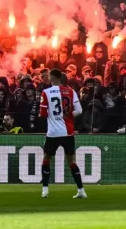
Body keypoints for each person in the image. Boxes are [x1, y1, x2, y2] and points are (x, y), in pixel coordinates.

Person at [39, 69, 85, 199]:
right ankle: (81, 190)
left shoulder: (46, 92)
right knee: (71, 161)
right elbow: (79, 110)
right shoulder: (71, 92)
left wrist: (50, 114)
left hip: (53, 133)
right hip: (68, 132)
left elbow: (43, 114)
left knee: (46, 159)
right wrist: (68, 116)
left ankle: (45, 190)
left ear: (52, 78)